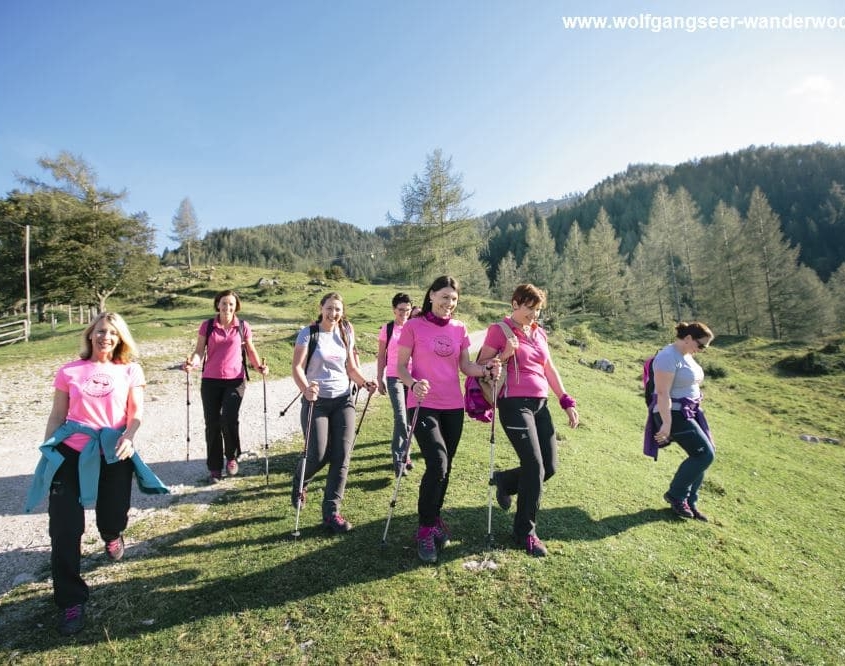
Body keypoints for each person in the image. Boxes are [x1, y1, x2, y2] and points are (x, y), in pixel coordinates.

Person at [27, 312, 167, 636]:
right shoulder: (69, 372)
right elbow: (57, 415)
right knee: (64, 527)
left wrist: (129, 438)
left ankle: (112, 535)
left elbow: (136, 414)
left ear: (120, 340)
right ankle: (71, 600)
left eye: (113, 334)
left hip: (112, 450)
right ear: (90, 335)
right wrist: (48, 453)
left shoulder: (130, 370)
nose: (106, 337)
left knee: (112, 515)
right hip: (70, 453)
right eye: (101, 331)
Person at [396, 275, 502, 563]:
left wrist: (487, 370)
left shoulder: (459, 328)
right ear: (431, 295)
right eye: (444, 296)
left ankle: (434, 518)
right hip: (422, 403)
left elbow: (466, 366)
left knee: (446, 467)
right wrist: (413, 383)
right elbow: (400, 367)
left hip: (453, 406)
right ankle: (424, 529)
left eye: (453, 299)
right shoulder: (414, 327)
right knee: (437, 462)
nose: (449, 303)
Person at [477, 284, 579, 557]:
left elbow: (549, 368)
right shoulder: (499, 330)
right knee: (534, 467)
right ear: (515, 304)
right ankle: (525, 533)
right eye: (529, 309)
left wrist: (565, 400)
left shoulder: (539, 333)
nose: (533, 315)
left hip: (540, 403)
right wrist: (505, 355)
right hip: (513, 403)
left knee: (550, 466)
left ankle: (506, 481)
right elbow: (482, 367)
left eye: (537, 310)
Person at [290, 292, 376, 534]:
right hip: (316, 401)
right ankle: (300, 480)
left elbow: (351, 367)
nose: (333, 313)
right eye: (329, 308)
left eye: (338, 309)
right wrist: (305, 389)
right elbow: (296, 367)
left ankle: (331, 513)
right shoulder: (309, 333)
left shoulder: (346, 332)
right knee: (317, 453)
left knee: (341, 456)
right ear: (321, 308)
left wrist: (364, 382)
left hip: (343, 400)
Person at [184, 290, 268, 483]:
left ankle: (231, 456)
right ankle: (214, 467)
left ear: (236, 306)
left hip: (235, 381)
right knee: (212, 423)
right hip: (210, 381)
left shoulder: (243, 326)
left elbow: (251, 350)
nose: (227, 307)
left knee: (229, 419)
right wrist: (192, 364)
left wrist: (259, 367)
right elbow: (198, 352)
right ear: (217, 305)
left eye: (231, 304)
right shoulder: (207, 326)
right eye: (224, 303)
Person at [650, 321, 716, 521]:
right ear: (688, 338)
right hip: (673, 413)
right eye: (701, 345)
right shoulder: (667, 357)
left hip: (690, 412)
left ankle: (690, 502)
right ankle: (677, 495)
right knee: (704, 455)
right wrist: (667, 423)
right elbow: (662, 393)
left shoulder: (687, 356)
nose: (702, 350)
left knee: (704, 454)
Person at [376, 292, 416, 476]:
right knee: (400, 417)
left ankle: (405, 454)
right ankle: (400, 459)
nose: (404, 314)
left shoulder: (415, 327)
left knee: (410, 418)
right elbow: (381, 356)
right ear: (394, 310)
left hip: (412, 377)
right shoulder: (388, 328)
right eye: (401, 310)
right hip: (394, 377)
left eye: (407, 310)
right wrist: (379, 378)